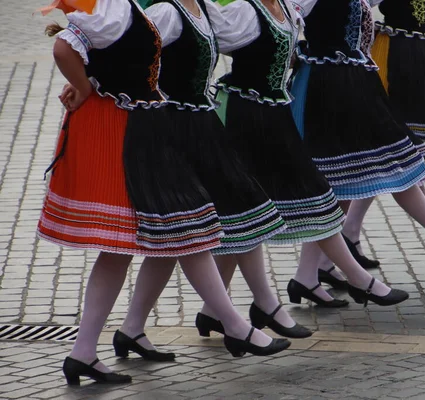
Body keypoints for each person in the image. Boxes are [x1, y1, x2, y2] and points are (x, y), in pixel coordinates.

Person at [38, 0, 288, 386]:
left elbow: (103, 55)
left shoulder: (131, 10)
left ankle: (84, 351)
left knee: (132, 244)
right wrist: (86, 88)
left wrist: (91, 81)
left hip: (140, 128)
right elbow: (64, 47)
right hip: (124, 132)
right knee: (184, 228)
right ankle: (235, 325)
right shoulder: (118, 8)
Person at [187, 0, 412, 319]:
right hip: (246, 115)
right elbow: (209, 39)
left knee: (261, 210)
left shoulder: (281, 5)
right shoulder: (243, 11)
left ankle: (214, 311)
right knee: (272, 205)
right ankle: (357, 280)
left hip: (273, 112)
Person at [118, 0, 313, 358]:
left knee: (221, 217)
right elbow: (127, 52)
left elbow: (243, 38)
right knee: (186, 230)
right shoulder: (167, 12)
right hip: (173, 132)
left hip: (200, 127)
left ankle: (132, 329)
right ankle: (240, 321)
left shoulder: (206, 9)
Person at [288, 0, 425, 294]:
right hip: (328, 87)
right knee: (384, 167)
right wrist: (294, 52)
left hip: (352, 82)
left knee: (352, 180)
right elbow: (284, 21)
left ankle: (309, 273)